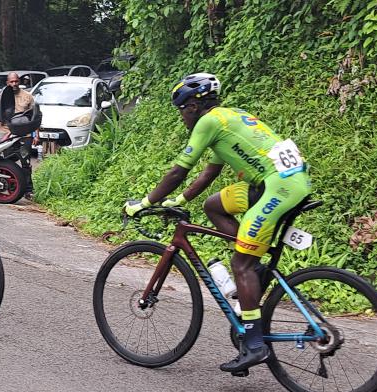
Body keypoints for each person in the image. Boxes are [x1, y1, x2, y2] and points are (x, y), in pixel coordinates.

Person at [124, 73, 311, 372]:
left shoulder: (208, 123)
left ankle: (253, 343)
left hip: (279, 187)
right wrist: (181, 201)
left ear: (195, 106)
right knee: (214, 205)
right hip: (278, 182)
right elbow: (208, 174)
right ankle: (253, 263)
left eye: (182, 109)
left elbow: (178, 172)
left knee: (241, 266)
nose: (182, 116)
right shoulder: (229, 118)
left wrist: (145, 203)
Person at [0, 72, 38, 199]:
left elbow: (35, 116)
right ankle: (11, 187)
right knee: (7, 162)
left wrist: (36, 135)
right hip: (6, 136)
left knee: (25, 162)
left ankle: (29, 191)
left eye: (16, 81)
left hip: (24, 136)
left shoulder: (27, 96)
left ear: (19, 82)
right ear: (7, 83)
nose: (14, 84)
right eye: (11, 82)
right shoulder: (2, 96)